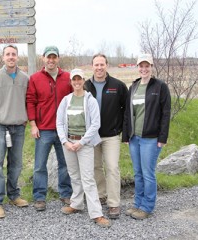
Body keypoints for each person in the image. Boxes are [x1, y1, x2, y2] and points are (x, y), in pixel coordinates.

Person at [56, 69, 111, 228]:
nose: (77, 82)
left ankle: (97, 214)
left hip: (84, 144)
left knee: (88, 178)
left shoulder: (90, 100)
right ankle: (76, 203)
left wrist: (82, 142)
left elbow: (95, 124)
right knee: (74, 175)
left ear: (83, 80)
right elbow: (59, 123)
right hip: (69, 144)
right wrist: (65, 142)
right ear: (71, 81)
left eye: (79, 79)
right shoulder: (66, 100)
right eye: (74, 79)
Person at [0, 44, 29, 218]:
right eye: (8, 54)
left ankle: (14, 195)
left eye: (14, 54)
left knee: (16, 164)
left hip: (18, 128)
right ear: (3, 57)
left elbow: (28, 101)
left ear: (18, 57)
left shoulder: (25, 78)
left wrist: (25, 120)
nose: (11, 57)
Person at [122, 53, 171, 220]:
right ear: (138, 67)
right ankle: (137, 204)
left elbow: (166, 113)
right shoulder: (134, 87)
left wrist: (162, 137)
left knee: (148, 173)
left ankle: (147, 206)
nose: (144, 69)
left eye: (147, 65)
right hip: (134, 137)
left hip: (150, 138)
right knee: (137, 173)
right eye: (141, 66)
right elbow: (128, 114)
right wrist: (126, 135)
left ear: (151, 67)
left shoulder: (160, 87)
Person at [26, 46, 72, 211]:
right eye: (48, 57)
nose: (51, 60)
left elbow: (74, 100)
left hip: (63, 130)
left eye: (54, 57)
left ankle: (66, 193)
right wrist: (33, 124)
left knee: (65, 163)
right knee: (39, 165)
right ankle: (39, 196)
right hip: (43, 128)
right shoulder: (35, 78)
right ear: (43, 58)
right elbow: (30, 101)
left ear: (58, 58)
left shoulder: (67, 77)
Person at [84, 53, 128, 219]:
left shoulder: (117, 86)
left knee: (112, 167)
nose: (99, 68)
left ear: (106, 66)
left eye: (102, 64)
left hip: (111, 136)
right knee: (95, 168)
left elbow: (126, 110)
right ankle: (101, 195)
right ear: (92, 66)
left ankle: (114, 203)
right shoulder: (86, 86)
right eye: (96, 65)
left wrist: (123, 130)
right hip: (91, 136)